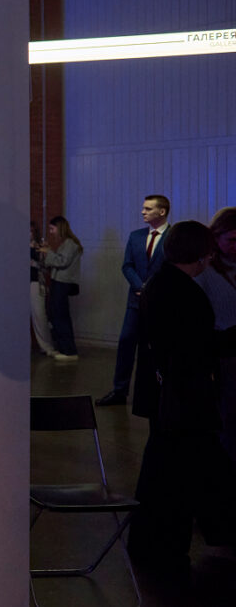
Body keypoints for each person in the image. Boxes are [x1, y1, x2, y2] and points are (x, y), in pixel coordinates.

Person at [128, 221, 236, 567]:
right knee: (186, 469)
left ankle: (161, 542)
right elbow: (195, 345)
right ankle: (169, 543)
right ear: (201, 253)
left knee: (171, 469)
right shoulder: (182, 290)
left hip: (170, 393)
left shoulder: (161, 283)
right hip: (184, 395)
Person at [98, 195, 170, 406]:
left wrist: (152, 290)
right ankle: (119, 391)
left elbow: (172, 268)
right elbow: (127, 265)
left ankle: (162, 390)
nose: (142, 212)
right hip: (136, 302)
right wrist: (142, 287)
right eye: (143, 208)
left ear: (162, 211)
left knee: (159, 347)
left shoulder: (173, 236)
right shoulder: (136, 236)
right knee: (126, 342)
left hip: (161, 304)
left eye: (148, 209)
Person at [195, 207, 236, 463]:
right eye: (231, 240)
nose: (235, 246)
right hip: (224, 352)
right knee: (229, 415)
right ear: (216, 237)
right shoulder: (205, 270)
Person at [40, 216, 82, 361]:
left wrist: (48, 252)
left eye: (52, 229)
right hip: (59, 282)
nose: (51, 232)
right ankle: (64, 348)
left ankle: (69, 351)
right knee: (56, 315)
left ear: (60, 228)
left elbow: (62, 261)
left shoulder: (70, 244)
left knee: (60, 316)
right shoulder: (66, 243)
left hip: (62, 283)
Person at [29, 222, 55, 356]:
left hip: (35, 282)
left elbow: (46, 267)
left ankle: (46, 346)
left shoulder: (39, 247)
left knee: (39, 315)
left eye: (31, 231)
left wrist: (35, 263)